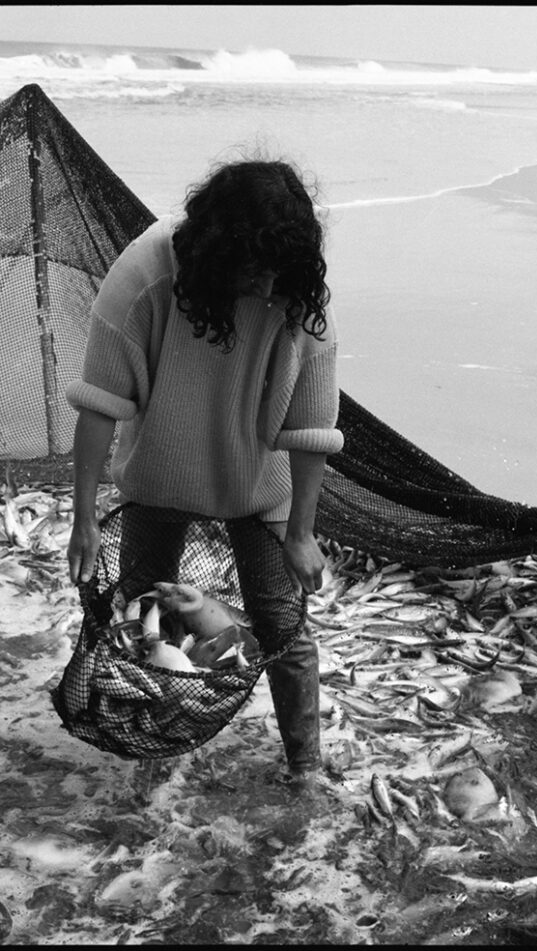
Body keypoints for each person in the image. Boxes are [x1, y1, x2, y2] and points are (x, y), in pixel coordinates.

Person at [65, 157, 344, 785]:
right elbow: (100, 405)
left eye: (280, 272)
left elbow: (312, 429)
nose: (268, 287)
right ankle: (153, 748)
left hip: (258, 483)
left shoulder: (298, 293)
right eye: (254, 270)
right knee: (143, 619)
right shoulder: (142, 276)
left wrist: (300, 531)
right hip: (159, 475)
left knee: (282, 625)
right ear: (218, 252)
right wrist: (83, 518)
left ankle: (306, 766)